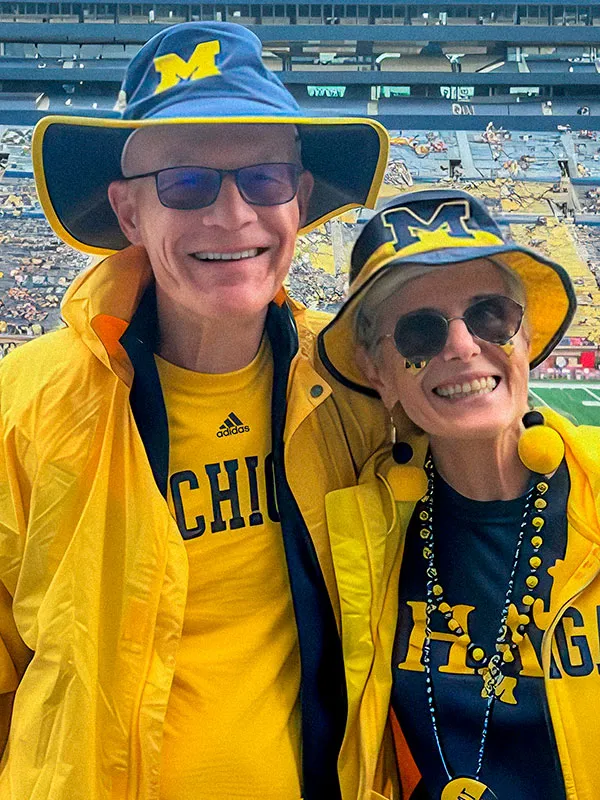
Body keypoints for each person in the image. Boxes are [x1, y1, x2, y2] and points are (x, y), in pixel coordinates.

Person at [0, 22, 394, 800]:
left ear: (301, 198)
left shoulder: (356, 388)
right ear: (129, 213)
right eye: (186, 184)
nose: (232, 215)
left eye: (264, 181)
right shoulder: (25, 403)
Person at [319, 188, 600, 799]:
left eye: (490, 315)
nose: (463, 346)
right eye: (419, 333)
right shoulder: (365, 533)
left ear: (525, 338)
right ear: (378, 373)